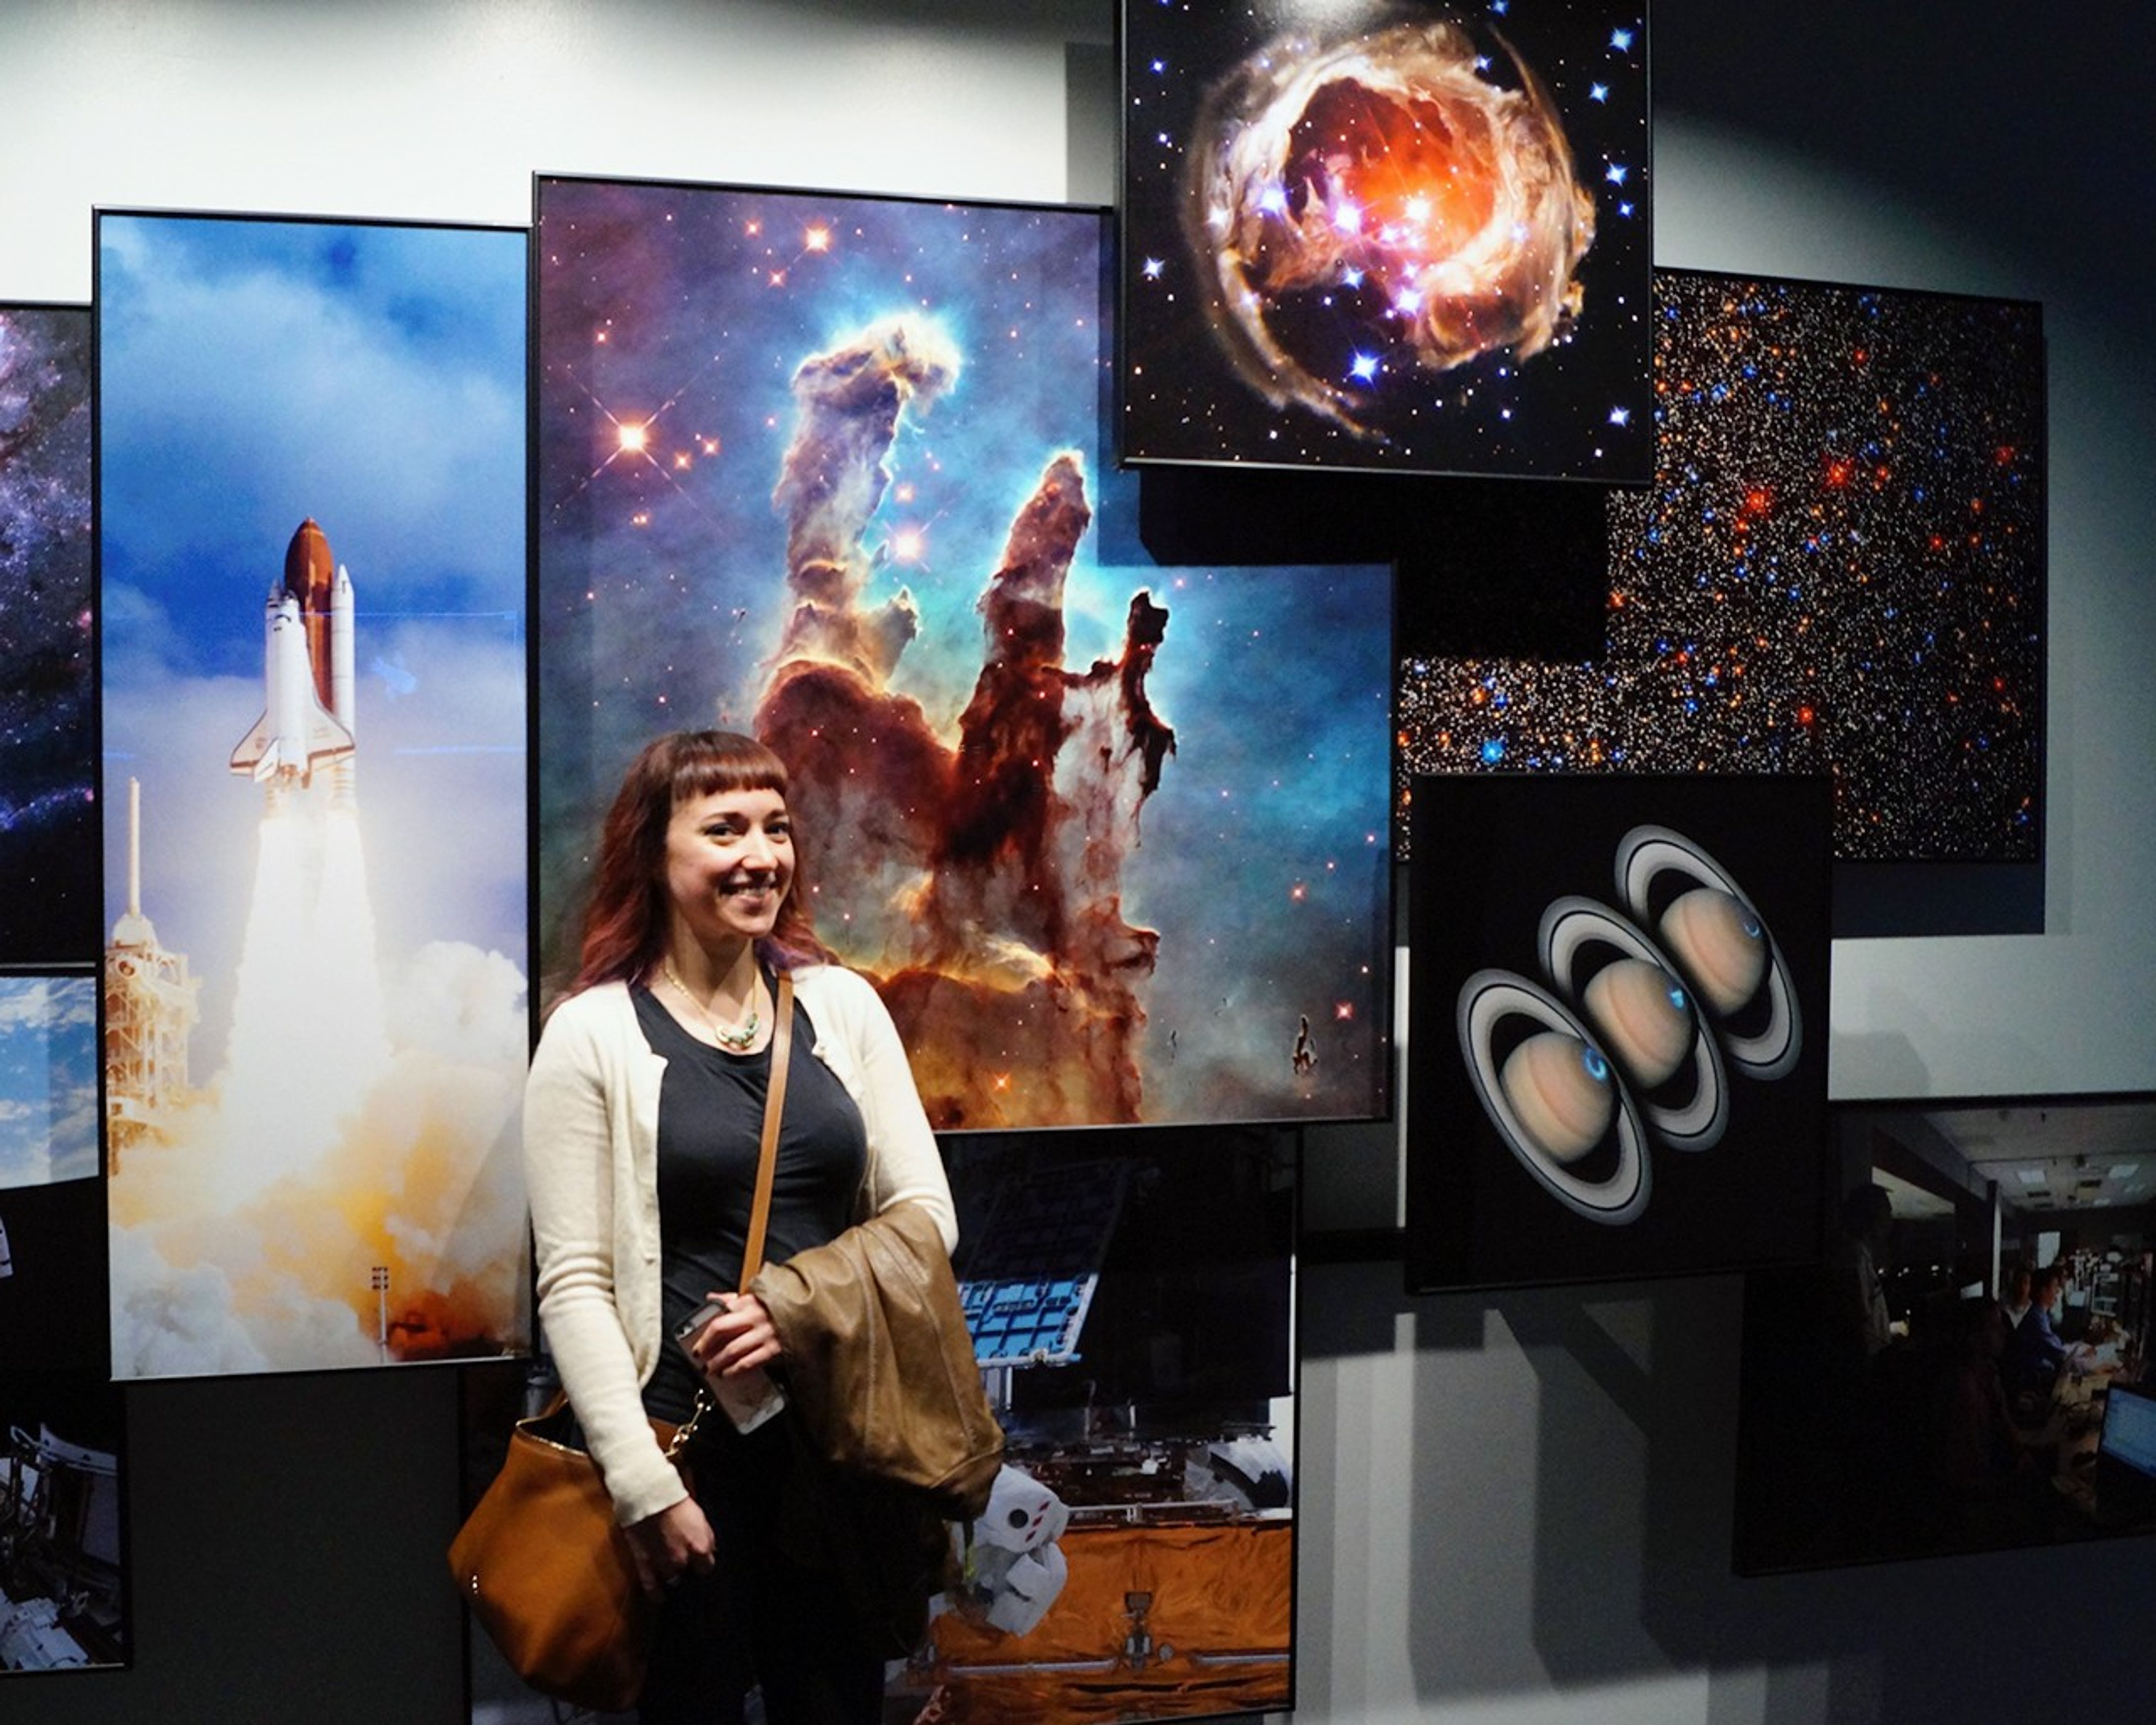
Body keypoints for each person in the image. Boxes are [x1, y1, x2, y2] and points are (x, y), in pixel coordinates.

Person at [523, 729, 957, 1725]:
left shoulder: (843, 1007)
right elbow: (575, 1282)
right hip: (683, 1456)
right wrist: (643, 1486)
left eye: (776, 828)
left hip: (839, 1450)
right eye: (724, 830)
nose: (761, 855)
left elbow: (926, 1218)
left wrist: (794, 1307)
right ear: (652, 851)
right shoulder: (590, 1033)